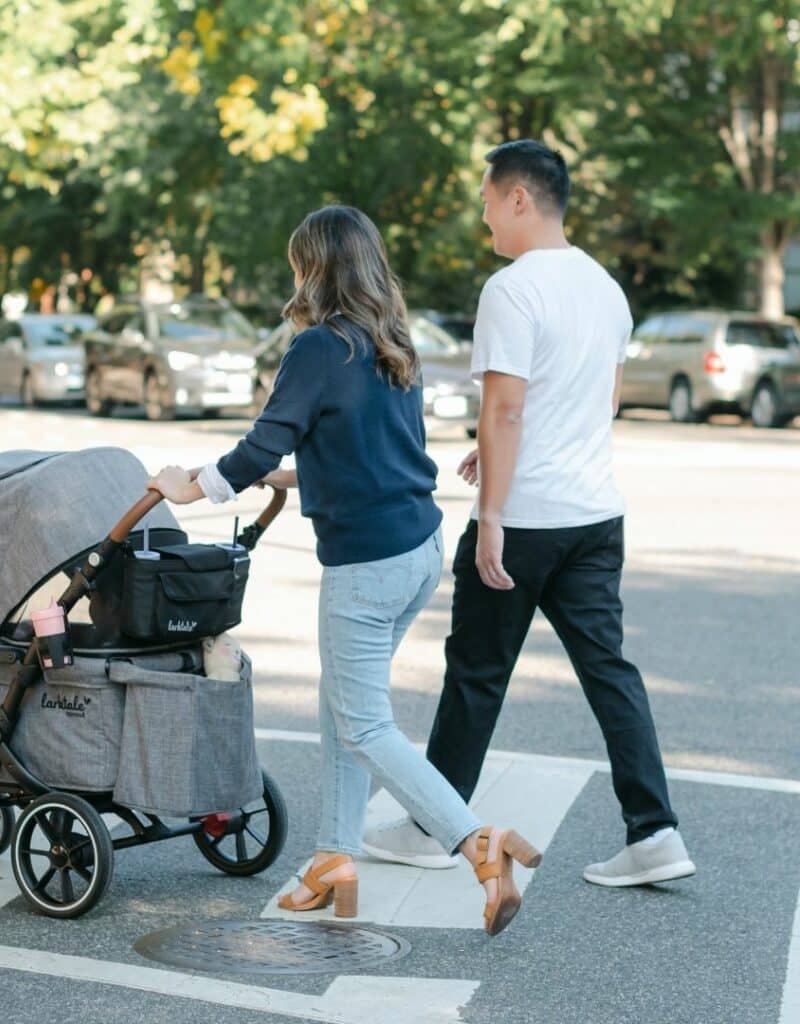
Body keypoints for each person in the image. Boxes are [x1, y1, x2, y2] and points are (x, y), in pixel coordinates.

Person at [147, 204, 541, 936]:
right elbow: (371, 449)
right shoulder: (393, 342)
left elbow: (262, 443)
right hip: (415, 548)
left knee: (364, 725)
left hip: (366, 564)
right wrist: (299, 482)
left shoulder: (318, 348)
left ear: (315, 269)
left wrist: (190, 486)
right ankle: (335, 860)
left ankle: (474, 842)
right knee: (343, 711)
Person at [362, 140, 696, 888]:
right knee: (610, 670)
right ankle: (656, 832)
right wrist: (501, 452)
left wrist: (490, 513)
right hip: (595, 515)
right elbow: (597, 403)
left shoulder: (511, 289)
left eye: (487, 201)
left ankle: (430, 824)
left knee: (477, 671)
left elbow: (506, 408)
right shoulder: (607, 288)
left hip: (529, 521)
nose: (484, 218)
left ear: (519, 198)